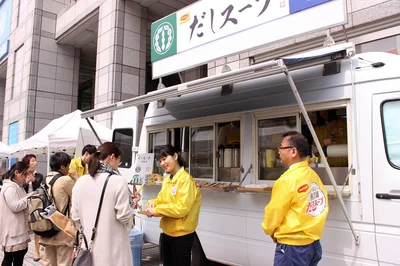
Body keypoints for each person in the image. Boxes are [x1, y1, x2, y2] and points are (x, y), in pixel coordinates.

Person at [262, 131, 329, 266]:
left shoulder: (287, 179)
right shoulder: (313, 176)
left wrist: (269, 230)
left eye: (281, 148)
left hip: (292, 247)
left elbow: (274, 211)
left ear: (293, 151)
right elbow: (321, 205)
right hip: (313, 245)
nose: (279, 152)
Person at [71, 142, 141, 266]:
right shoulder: (118, 181)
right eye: (119, 160)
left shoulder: (80, 182)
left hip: (89, 250)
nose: (118, 165)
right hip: (114, 251)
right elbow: (124, 216)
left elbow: (75, 217)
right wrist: (132, 205)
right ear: (112, 157)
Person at [145, 144, 202, 266]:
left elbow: (182, 209)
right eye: (160, 161)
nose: (162, 163)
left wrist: (157, 209)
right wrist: (151, 204)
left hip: (182, 235)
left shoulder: (186, 180)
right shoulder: (167, 180)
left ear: (175, 156)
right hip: (167, 233)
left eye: (164, 158)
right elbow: (161, 199)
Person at [40, 152, 75, 266]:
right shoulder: (65, 180)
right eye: (68, 166)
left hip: (46, 228)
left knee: (48, 263)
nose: (69, 169)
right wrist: (76, 178)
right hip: (62, 228)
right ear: (62, 167)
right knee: (64, 262)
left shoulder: (44, 180)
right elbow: (77, 197)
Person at [0, 162, 33, 266]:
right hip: (13, 230)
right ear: (16, 173)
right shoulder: (10, 187)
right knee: (11, 256)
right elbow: (15, 206)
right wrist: (29, 198)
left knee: (19, 255)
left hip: (17, 229)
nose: (25, 177)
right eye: (24, 174)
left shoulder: (16, 185)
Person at [22, 154, 44, 262]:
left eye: (36, 160)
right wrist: (25, 182)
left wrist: (34, 180)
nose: (35, 162)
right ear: (27, 163)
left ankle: (36, 251)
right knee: (24, 227)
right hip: (24, 204)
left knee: (36, 227)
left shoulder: (39, 175)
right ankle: (22, 248)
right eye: (33, 161)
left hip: (35, 204)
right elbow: (20, 187)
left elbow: (41, 187)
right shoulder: (22, 174)